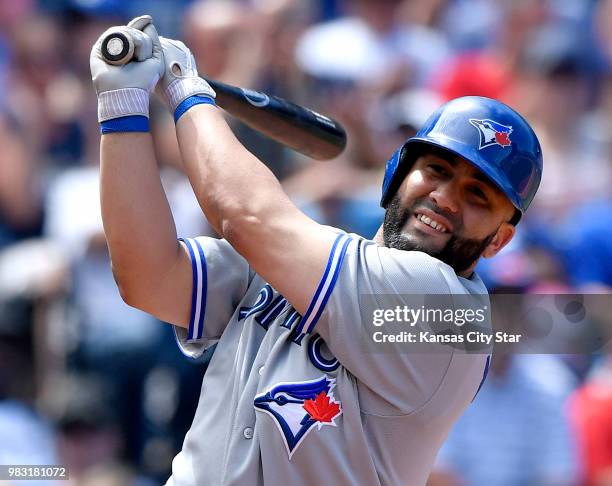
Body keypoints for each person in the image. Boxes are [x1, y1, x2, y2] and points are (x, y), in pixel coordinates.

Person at [89, 15, 543, 486]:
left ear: (499, 239)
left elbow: (246, 216)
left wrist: (185, 89)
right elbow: (148, 276)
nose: (446, 198)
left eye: (477, 196)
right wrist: (122, 105)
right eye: (437, 170)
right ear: (397, 175)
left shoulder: (451, 319)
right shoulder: (299, 255)